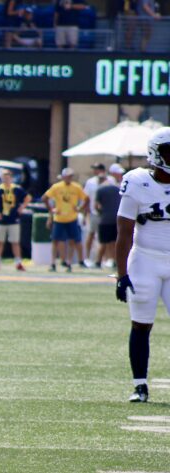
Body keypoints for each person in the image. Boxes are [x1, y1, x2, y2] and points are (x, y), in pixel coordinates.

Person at [113, 128, 170, 403]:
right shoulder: (136, 181)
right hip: (145, 259)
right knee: (141, 324)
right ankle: (140, 385)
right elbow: (123, 232)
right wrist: (121, 275)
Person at [44, 168, 88, 273]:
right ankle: (53, 263)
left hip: (71, 218)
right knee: (55, 240)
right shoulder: (57, 187)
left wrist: (79, 208)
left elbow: (86, 199)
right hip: (59, 218)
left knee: (72, 240)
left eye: (70, 176)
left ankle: (69, 263)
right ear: (63, 177)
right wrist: (51, 210)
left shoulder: (76, 187)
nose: (69, 178)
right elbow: (45, 198)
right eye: (67, 176)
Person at [0, 168, 30, 271]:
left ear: (11, 178)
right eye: (4, 177)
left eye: (8, 177)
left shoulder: (17, 189)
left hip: (13, 219)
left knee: (15, 242)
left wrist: (22, 207)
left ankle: (18, 262)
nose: (6, 179)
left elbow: (28, 197)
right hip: (1, 219)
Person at [94, 163, 124, 269]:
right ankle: (115, 261)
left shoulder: (100, 190)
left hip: (105, 219)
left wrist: (100, 212)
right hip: (116, 219)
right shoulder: (118, 190)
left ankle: (98, 261)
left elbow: (97, 206)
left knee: (103, 242)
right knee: (115, 241)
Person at [83, 162, 111, 267]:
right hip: (94, 213)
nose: (94, 171)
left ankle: (106, 259)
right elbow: (87, 199)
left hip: (106, 213)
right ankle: (87, 258)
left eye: (96, 169)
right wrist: (86, 213)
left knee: (106, 237)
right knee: (91, 234)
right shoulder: (90, 182)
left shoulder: (110, 180)